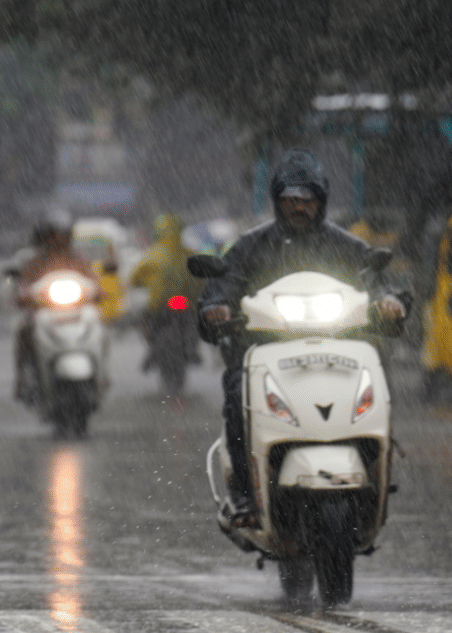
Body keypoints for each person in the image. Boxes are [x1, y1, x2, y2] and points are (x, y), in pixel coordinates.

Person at [197, 148, 410, 527]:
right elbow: (223, 282)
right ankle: (247, 494)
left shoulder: (346, 245)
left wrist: (390, 301)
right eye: (291, 199)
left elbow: (377, 280)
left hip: (338, 349)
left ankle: (374, 477)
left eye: (307, 200)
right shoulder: (250, 246)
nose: (299, 207)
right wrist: (217, 306)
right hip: (267, 351)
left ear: (321, 201)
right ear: (278, 202)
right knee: (236, 390)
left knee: (378, 385)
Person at [13, 214, 101, 401]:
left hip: (76, 312)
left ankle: (103, 373)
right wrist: (23, 295)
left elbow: (94, 282)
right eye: (54, 235)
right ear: (45, 237)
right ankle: (22, 379)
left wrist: (98, 291)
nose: (59, 239)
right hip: (44, 313)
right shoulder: (34, 262)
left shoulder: (79, 260)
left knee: (102, 331)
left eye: (63, 235)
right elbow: (23, 285)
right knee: (23, 331)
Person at [130, 213, 204, 372]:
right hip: (185, 302)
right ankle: (193, 350)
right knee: (197, 319)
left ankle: (152, 350)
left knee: (144, 321)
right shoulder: (189, 254)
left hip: (160, 304)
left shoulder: (152, 254)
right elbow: (200, 279)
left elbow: (135, 278)